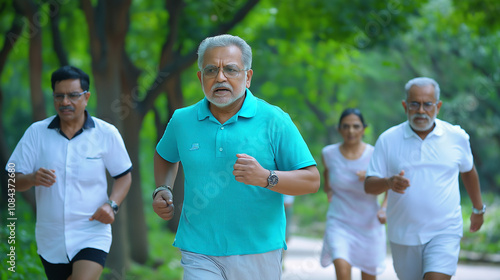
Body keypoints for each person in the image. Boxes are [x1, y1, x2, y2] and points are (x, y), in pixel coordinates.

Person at [152, 34, 320, 280]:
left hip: (257, 250)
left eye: (230, 69)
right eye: (211, 70)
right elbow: (165, 156)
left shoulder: (275, 120)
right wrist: (162, 189)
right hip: (199, 249)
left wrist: (265, 177)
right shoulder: (182, 120)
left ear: (248, 77)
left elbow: (311, 181)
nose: (220, 78)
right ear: (200, 78)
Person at [6, 65, 133, 280]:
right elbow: (11, 181)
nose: (65, 102)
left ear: (86, 97)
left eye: (73, 95)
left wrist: (112, 204)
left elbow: (123, 175)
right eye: (59, 96)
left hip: (92, 231)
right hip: (51, 237)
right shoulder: (36, 133)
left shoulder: (106, 133)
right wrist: (32, 178)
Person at [365, 77, 485, 280]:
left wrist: (478, 208)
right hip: (403, 234)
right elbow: (369, 185)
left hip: (444, 230)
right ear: (405, 106)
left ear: (437, 106)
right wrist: (388, 183)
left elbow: (468, 170)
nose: (421, 110)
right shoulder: (388, 139)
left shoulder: (456, 137)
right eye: (415, 104)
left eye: (427, 104)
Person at [320, 108, 387, 280]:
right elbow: (327, 174)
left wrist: (384, 208)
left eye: (356, 126)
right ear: (339, 129)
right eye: (346, 126)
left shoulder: (374, 155)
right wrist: (329, 190)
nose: (351, 131)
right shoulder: (328, 153)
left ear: (364, 129)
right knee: (342, 273)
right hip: (339, 223)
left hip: (369, 225)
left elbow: (389, 184)